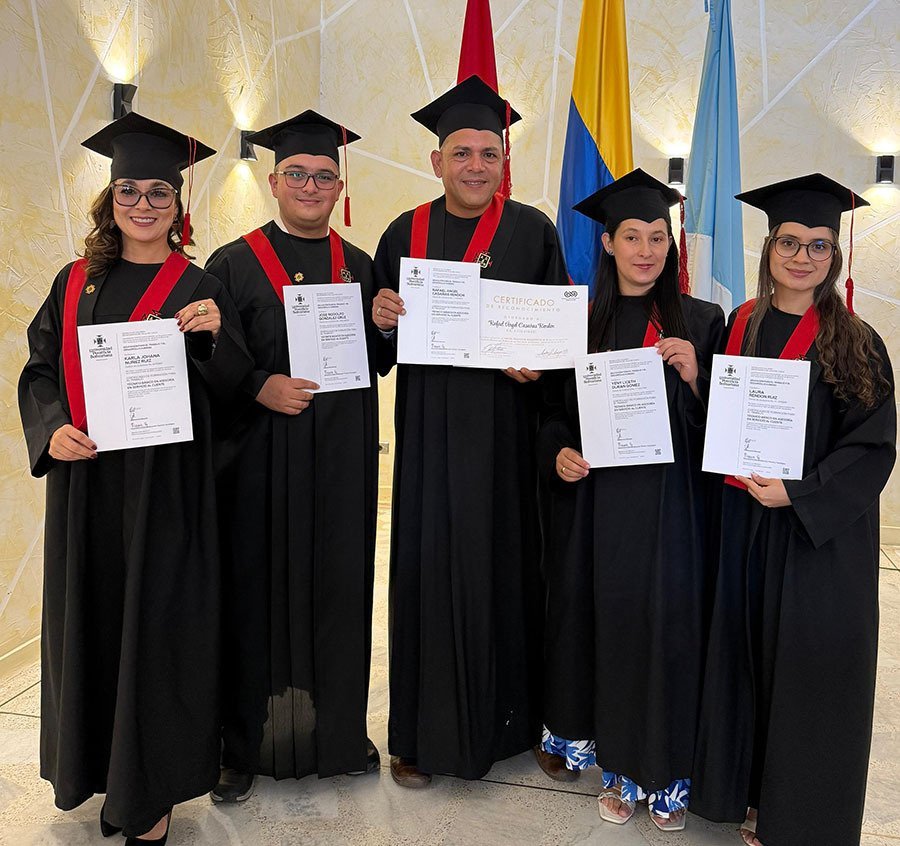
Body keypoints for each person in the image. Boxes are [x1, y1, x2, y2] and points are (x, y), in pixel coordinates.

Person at [18, 112, 250, 844]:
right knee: (92, 629)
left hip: (167, 491)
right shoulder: (76, 281)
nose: (143, 204)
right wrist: (51, 426)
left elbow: (235, 390)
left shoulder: (200, 284)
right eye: (129, 191)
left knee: (159, 637)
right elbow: (40, 369)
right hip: (88, 488)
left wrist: (214, 338)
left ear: (179, 205)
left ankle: (151, 794)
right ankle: (97, 774)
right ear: (109, 199)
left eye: (158, 192)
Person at [371, 74, 570, 787]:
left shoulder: (533, 230)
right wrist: (381, 320)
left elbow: (561, 344)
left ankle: (518, 727)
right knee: (427, 574)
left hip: (507, 444)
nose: (476, 165)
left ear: (502, 161)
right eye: (462, 152)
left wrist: (538, 366)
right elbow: (380, 353)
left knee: (513, 575)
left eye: (489, 152)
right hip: (427, 443)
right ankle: (418, 737)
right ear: (437, 161)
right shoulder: (404, 233)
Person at [691, 174, 896, 846]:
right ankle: (744, 797)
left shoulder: (854, 340)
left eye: (817, 245)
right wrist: (698, 382)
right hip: (744, 526)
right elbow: (722, 421)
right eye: (790, 242)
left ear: (834, 256)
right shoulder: (739, 325)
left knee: (804, 673)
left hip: (814, 544)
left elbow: (870, 448)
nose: (803, 256)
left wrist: (799, 491)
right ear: (769, 246)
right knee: (745, 659)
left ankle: (796, 818)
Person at [205, 110, 388, 802]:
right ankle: (241, 747)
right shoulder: (233, 261)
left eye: (324, 177)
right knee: (254, 598)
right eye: (298, 175)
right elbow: (210, 363)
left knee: (339, 595)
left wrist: (382, 326)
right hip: (259, 463)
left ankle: (338, 734)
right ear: (275, 181)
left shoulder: (360, 265)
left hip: (341, 462)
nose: (312, 186)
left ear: (338, 187)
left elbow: (380, 363)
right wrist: (258, 385)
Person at [537, 169, 724, 831]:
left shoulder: (703, 321)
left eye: (657, 237)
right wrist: (558, 452)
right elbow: (554, 415)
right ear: (609, 243)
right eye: (632, 236)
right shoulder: (585, 325)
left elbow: (725, 436)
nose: (646, 249)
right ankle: (617, 768)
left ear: (670, 247)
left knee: (669, 634)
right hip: (603, 514)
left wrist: (698, 379)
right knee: (612, 629)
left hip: (675, 515)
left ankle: (668, 775)